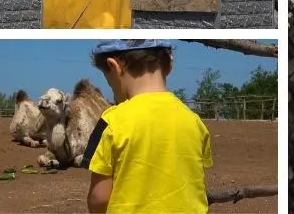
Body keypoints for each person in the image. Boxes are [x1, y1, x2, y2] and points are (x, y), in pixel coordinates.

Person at [82, 40, 212, 214]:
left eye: (109, 81)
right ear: (169, 64)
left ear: (114, 66)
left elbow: (100, 199)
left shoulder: (111, 122)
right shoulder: (195, 122)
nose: (112, 88)